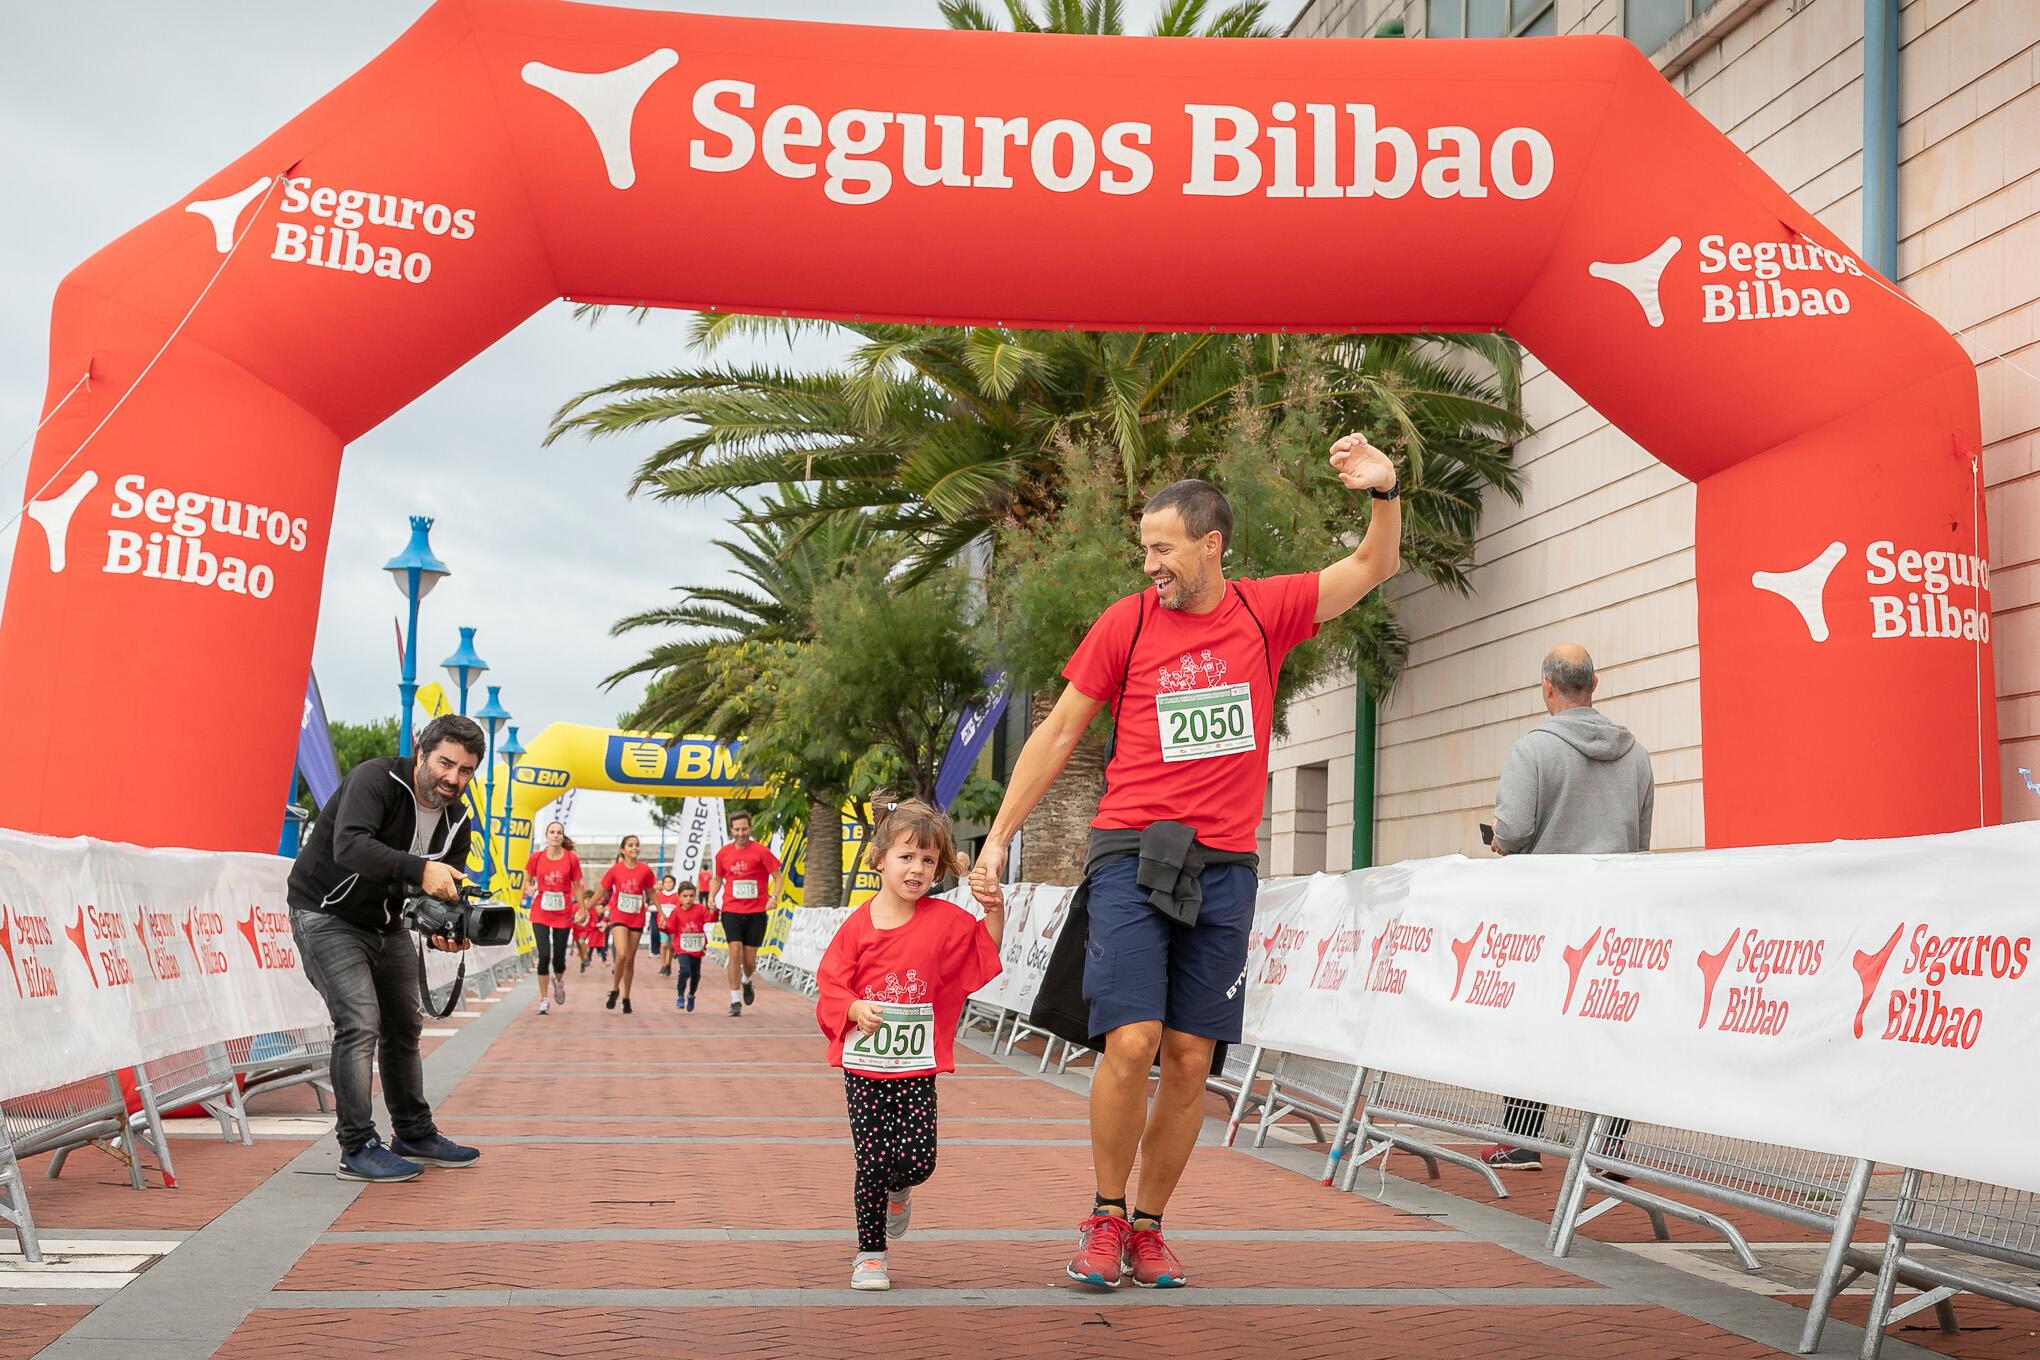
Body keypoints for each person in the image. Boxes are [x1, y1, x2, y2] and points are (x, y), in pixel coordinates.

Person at [969, 435, 1402, 1289]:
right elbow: (1058, 732)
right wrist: (995, 840)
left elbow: (1372, 566)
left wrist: (1385, 491)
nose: (1151, 563)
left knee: (1193, 1062)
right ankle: (1101, 1214)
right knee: (1130, 1043)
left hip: (1225, 866)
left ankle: (1149, 1226)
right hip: (1129, 849)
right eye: (1144, 548)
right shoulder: (1124, 623)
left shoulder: (1265, 611)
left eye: (1163, 547)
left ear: (1212, 544)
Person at [286, 714, 487, 1183]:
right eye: (446, 763)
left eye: (466, 771)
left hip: (387, 923)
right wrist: (420, 870)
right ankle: (355, 1147)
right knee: (359, 1024)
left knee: (404, 1026)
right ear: (422, 752)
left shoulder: (457, 819)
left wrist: (445, 930)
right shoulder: (375, 778)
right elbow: (350, 847)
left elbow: (435, 894)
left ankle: (414, 1133)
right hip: (325, 913)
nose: (453, 779)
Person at [816, 796, 1005, 1292]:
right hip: (866, 1067)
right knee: (871, 1160)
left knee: (919, 1160)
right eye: (906, 857)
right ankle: (870, 1253)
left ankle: (901, 1187)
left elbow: (981, 953)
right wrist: (854, 1008)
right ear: (879, 860)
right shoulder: (857, 927)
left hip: (916, 1066)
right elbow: (831, 986)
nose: (916, 869)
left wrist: (995, 908)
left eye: (927, 860)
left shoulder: (944, 921)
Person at [1481, 644, 1655, 1171]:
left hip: (1546, 915)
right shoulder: (1637, 754)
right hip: (1613, 915)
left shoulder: (1532, 751)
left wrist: (1500, 846)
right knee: (1606, 1021)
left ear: (1547, 687)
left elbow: (1511, 832)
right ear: (1594, 684)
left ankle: (1522, 1137)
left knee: (1534, 1019)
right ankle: (1609, 1141)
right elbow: (1641, 842)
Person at [708, 810, 781, 1017]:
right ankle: (734, 1000)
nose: (740, 833)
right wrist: (712, 896)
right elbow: (717, 878)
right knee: (734, 952)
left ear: (750, 828)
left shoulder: (761, 852)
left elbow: (778, 877)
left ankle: (747, 980)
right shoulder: (723, 853)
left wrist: (773, 897)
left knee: (749, 961)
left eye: (744, 829)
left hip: (756, 912)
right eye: (737, 829)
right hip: (731, 910)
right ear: (732, 829)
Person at [523, 821, 582, 1016]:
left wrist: (582, 907)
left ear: (563, 837)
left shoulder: (571, 859)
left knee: (558, 957)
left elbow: (578, 884)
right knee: (544, 954)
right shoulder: (537, 857)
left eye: (559, 833)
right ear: (546, 836)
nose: (555, 835)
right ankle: (543, 999)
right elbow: (527, 877)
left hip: (562, 912)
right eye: (552, 832)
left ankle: (558, 980)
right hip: (540, 911)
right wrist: (529, 887)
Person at [598, 834, 657, 1015]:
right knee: (621, 954)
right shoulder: (615, 870)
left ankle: (626, 997)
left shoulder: (645, 870)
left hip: (636, 917)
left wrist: (662, 913)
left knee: (630, 960)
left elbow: (651, 893)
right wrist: (586, 908)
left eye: (636, 845)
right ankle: (615, 989)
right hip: (619, 916)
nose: (634, 848)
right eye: (630, 845)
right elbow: (601, 890)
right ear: (623, 850)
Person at [665, 883, 714, 1012]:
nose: (688, 899)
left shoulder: (700, 909)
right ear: (679, 897)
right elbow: (670, 928)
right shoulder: (676, 912)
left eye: (691, 896)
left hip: (697, 948)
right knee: (685, 970)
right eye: (685, 896)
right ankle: (680, 995)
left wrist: (714, 911)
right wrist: (662, 925)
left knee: (696, 974)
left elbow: (709, 919)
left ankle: (691, 994)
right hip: (682, 947)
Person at [649, 872, 678, 975]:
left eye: (670, 882)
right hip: (662, 923)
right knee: (664, 944)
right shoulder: (658, 895)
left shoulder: (677, 896)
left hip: (674, 924)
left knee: (671, 946)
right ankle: (662, 965)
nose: (668, 884)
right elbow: (652, 907)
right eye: (666, 882)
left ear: (674, 883)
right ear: (663, 884)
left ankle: (668, 965)